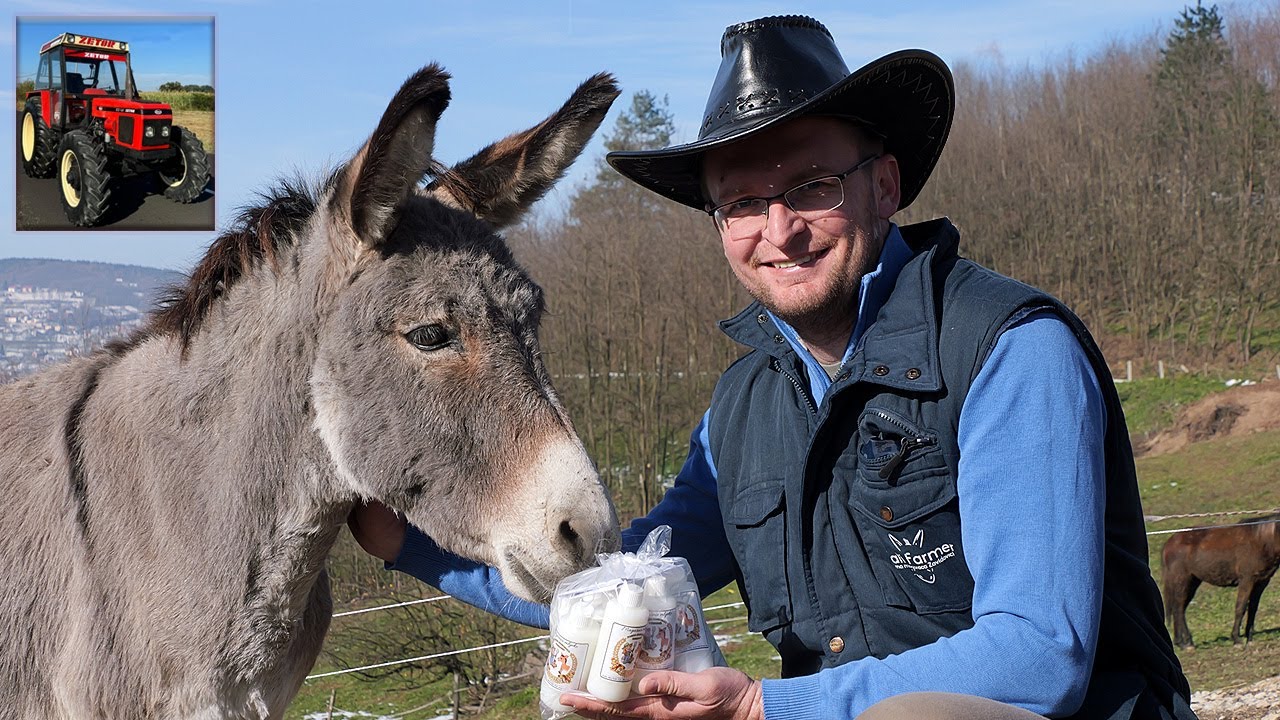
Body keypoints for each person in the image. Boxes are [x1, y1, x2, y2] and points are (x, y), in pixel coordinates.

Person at [349, 15, 1196, 720]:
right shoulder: (742, 411)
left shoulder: (1008, 351)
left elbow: (1039, 655)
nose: (779, 230)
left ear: (885, 186)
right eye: (744, 203)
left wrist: (764, 707)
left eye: (814, 186)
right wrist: (412, 547)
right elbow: (606, 591)